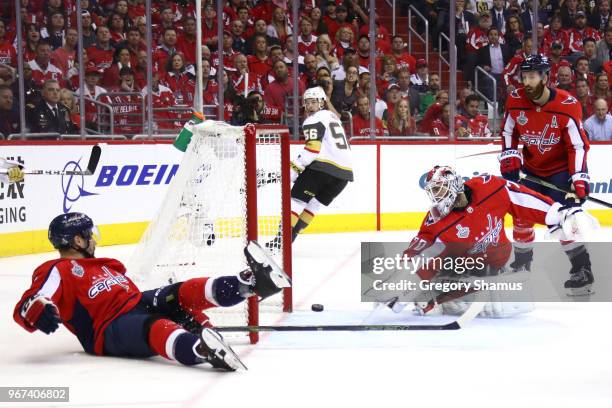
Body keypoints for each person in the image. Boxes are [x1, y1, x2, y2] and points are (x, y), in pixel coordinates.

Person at [14, 212, 291, 371]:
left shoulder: (106, 265)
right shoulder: (58, 269)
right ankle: (202, 351)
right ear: (76, 239)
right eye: (89, 234)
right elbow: (33, 299)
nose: (93, 239)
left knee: (182, 291)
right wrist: (39, 310)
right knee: (155, 326)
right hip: (109, 328)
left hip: (137, 302)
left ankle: (251, 284)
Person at [380, 166, 595, 317]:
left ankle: (445, 296)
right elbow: (419, 251)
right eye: (432, 193)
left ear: (454, 185)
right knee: (451, 282)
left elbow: (522, 200)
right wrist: (402, 279)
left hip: (496, 260)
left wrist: (558, 213)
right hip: (463, 265)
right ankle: (435, 297)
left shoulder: (490, 187)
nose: (435, 198)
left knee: (505, 304)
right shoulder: (436, 219)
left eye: (439, 190)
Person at [499, 55, 593, 295]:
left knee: (563, 221)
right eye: (524, 77)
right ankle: (522, 264)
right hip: (531, 171)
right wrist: (510, 156)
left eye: (532, 77)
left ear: (546, 78)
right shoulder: (515, 99)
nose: (527, 82)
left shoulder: (568, 104)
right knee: (521, 217)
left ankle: (582, 270)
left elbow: (577, 146)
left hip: (560, 172)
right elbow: (509, 131)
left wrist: (579, 178)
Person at [267, 87, 353, 249]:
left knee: (296, 201)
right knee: (314, 204)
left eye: (314, 101)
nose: (310, 105)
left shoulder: (312, 120)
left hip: (322, 169)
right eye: (307, 102)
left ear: (322, 103)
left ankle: (281, 240)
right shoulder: (332, 117)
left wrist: (293, 171)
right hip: (344, 175)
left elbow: (312, 150)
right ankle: (292, 235)